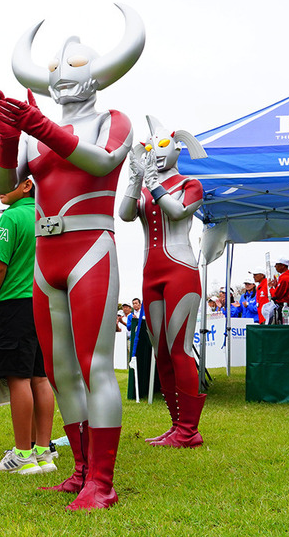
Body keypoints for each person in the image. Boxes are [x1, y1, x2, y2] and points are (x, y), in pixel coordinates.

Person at [0, 5, 144, 510]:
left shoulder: (112, 120)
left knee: (93, 364)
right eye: (56, 70)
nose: (61, 77)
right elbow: (6, 183)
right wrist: (10, 135)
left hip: (90, 249)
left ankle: (103, 479)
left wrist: (36, 125)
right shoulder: (37, 132)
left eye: (74, 68)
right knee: (59, 372)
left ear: (97, 77)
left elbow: (100, 160)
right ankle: (79, 470)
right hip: (48, 256)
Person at [119, 115, 208, 449]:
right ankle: (176, 425)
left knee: (179, 348)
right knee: (162, 352)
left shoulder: (190, 184)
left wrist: (153, 183)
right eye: (151, 146)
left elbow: (178, 212)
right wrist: (134, 177)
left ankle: (189, 429)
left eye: (162, 145)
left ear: (176, 148)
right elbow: (126, 214)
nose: (155, 151)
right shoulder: (146, 185)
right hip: (150, 272)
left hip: (180, 269)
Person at [0, 177, 56, 476]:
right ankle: (43, 451)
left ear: (26, 184)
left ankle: (23, 453)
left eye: (6, 181)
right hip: (43, 302)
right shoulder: (43, 213)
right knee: (39, 376)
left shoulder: (10, 217)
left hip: (15, 304)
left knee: (18, 378)